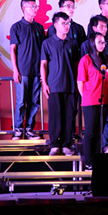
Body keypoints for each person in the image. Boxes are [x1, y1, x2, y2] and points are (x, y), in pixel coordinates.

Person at [9, 0, 46, 140]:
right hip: (22, 71)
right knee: (21, 101)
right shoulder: (16, 27)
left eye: (36, 7)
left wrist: (43, 72)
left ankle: (30, 129)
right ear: (24, 9)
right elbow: (13, 50)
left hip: (36, 71)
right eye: (33, 6)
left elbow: (43, 51)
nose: (36, 9)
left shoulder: (39, 28)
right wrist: (15, 70)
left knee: (34, 102)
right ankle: (18, 129)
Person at [41, 12, 77, 156]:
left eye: (68, 23)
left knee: (69, 115)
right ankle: (55, 145)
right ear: (55, 25)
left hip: (70, 85)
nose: (67, 26)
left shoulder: (72, 43)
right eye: (63, 23)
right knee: (55, 116)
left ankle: (67, 144)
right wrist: (44, 83)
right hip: (54, 85)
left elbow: (75, 65)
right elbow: (43, 64)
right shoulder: (47, 43)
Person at [77, 32, 108, 170]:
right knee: (90, 132)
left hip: (105, 100)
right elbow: (80, 82)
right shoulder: (85, 60)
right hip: (91, 101)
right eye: (99, 42)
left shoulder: (104, 59)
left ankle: (98, 159)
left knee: (99, 132)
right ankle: (89, 161)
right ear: (92, 43)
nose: (103, 45)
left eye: (104, 42)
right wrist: (87, 97)